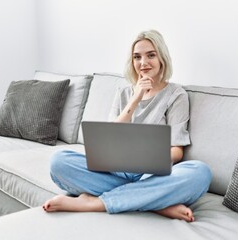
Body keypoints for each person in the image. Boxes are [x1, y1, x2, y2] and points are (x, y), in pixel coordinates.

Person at [43, 30, 212, 222]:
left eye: (151, 55)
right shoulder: (123, 91)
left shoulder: (176, 95)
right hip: (115, 170)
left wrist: (149, 159)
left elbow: (177, 151)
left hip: (152, 174)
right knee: (59, 161)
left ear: (162, 58)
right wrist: (135, 98)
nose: (143, 62)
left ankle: (96, 203)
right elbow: (108, 139)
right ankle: (156, 203)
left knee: (200, 173)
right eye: (137, 57)